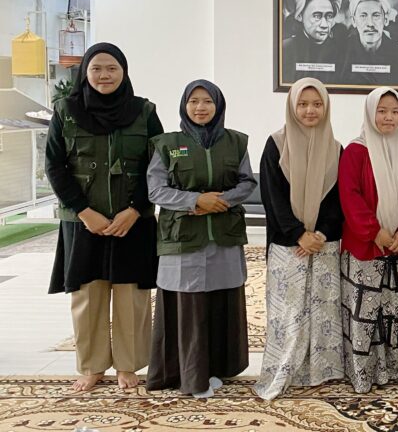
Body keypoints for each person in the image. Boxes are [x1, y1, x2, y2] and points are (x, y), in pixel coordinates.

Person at [45, 42, 164, 392]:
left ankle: (128, 365)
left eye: (112, 68)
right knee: (87, 294)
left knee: (131, 295)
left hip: (133, 221)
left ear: (123, 72)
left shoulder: (144, 111)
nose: (104, 75)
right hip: (83, 222)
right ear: (85, 72)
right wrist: (83, 211)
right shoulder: (66, 111)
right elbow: (54, 165)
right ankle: (92, 366)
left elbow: (158, 167)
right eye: (96, 68)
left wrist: (135, 209)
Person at [145, 80, 255, 398]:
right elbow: (156, 190)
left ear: (218, 106)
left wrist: (222, 201)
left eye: (207, 101)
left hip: (223, 235)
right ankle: (190, 378)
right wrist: (195, 201)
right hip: (183, 238)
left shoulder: (236, 142)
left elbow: (247, 182)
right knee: (189, 308)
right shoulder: (167, 144)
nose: (200, 107)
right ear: (184, 106)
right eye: (193, 101)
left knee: (221, 304)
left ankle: (217, 370)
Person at [254, 77, 345, 400]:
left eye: (317, 104)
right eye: (303, 104)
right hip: (287, 245)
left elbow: (338, 200)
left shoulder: (335, 148)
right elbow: (272, 197)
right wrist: (297, 234)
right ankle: (285, 370)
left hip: (324, 243)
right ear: (292, 106)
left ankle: (321, 371)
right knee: (289, 313)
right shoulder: (276, 145)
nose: (310, 110)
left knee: (323, 311)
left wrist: (320, 233)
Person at [339, 87, 398, 393]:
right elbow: (350, 197)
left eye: (395, 111)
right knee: (367, 311)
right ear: (370, 112)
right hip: (366, 247)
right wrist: (375, 232)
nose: (389, 117)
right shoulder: (356, 151)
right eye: (382, 111)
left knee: (397, 310)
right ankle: (366, 371)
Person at [281, 0, 345, 85]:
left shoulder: (342, 52)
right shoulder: (285, 49)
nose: (324, 25)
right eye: (317, 16)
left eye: (329, 16)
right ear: (300, 16)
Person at [340, 0, 398, 87]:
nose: (370, 24)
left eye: (376, 15)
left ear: (386, 20)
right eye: (363, 16)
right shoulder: (341, 52)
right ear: (354, 21)